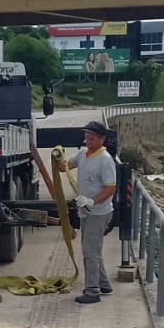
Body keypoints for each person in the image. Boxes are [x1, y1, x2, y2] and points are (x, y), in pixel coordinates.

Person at [58, 120, 118, 304]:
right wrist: (59, 159)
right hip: (86, 211)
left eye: (92, 137)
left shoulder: (105, 160)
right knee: (93, 249)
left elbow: (110, 188)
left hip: (98, 212)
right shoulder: (83, 154)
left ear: (102, 139)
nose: (88, 140)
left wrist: (93, 200)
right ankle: (104, 284)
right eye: (87, 137)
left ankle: (92, 291)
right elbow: (66, 166)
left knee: (89, 252)